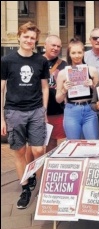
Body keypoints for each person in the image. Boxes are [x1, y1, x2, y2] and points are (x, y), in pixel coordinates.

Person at [1, 21, 49, 209]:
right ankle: (25, 187)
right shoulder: (7, 61)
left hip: (36, 110)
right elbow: (2, 89)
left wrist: (44, 110)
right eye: (26, 37)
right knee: (19, 151)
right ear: (19, 37)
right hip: (14, 111)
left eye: (32, 38)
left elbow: (45, 87)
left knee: (38, 150)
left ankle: (41, 184)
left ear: (36, 40)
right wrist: (1, 117)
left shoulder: (41, 61)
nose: (29, 40)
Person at [25, 35, 68, 181]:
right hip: (35, 109)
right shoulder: (35, 61)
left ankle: (47, 173)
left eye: (58, 46)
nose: (56, 48)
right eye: (53, 45)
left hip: (55, 109)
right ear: (45, 45)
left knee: (51, 142)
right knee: (32, 144)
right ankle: (29, 173)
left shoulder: (63, 65)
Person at [55, 38, 99, 140]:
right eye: (73, 53)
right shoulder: (63, 73)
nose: (77, 55)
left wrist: (92, 86)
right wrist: (64, 90)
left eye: (79, 52)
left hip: (89, 110)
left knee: (93, 142)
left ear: (84, 53)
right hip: (71, 110)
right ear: (69, 54)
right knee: (73, 143)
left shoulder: (92, 71)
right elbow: (58, 99)